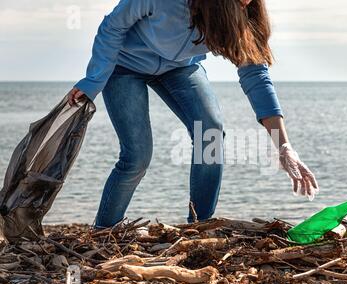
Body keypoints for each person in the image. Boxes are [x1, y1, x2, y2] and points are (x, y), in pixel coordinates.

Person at [68, 0, 319, 228]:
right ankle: (103, 230)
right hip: (124, 66)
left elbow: (256, 77)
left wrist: (284, 146)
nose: (246, 3)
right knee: (137, 156)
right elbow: (112, 26)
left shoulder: (245, 11)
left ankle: (198, 226)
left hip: (179, 68)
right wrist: (94, 80)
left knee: (210, 133)